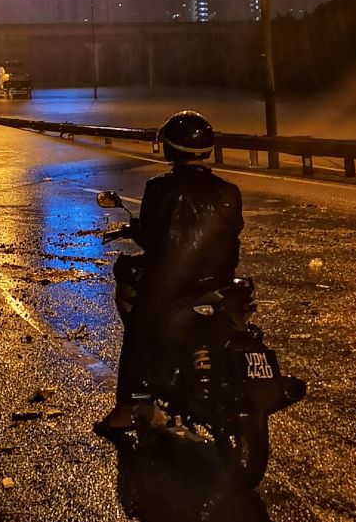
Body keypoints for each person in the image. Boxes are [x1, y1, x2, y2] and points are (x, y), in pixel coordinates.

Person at [95, 110, 244, 433]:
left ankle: (124, 411)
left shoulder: (160, 188)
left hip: (174, 283)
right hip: (221, 279)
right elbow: (235, 230)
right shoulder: (229, 190)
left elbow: (151, 235)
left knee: (137, 331)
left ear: (171, 149)